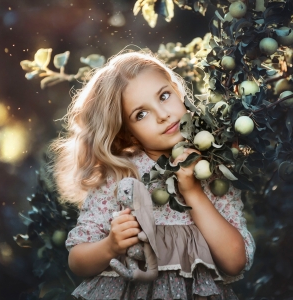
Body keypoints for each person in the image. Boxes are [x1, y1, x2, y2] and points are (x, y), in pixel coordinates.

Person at [49, 50, 255, 299]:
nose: (163, 115)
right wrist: (110, 245)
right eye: (141, 114)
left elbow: (235, 261)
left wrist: (191, 191)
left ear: (179, 93)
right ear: (129, 134)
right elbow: (77, 262)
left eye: (164, 96)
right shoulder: (120, 177)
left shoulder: (212, 165)